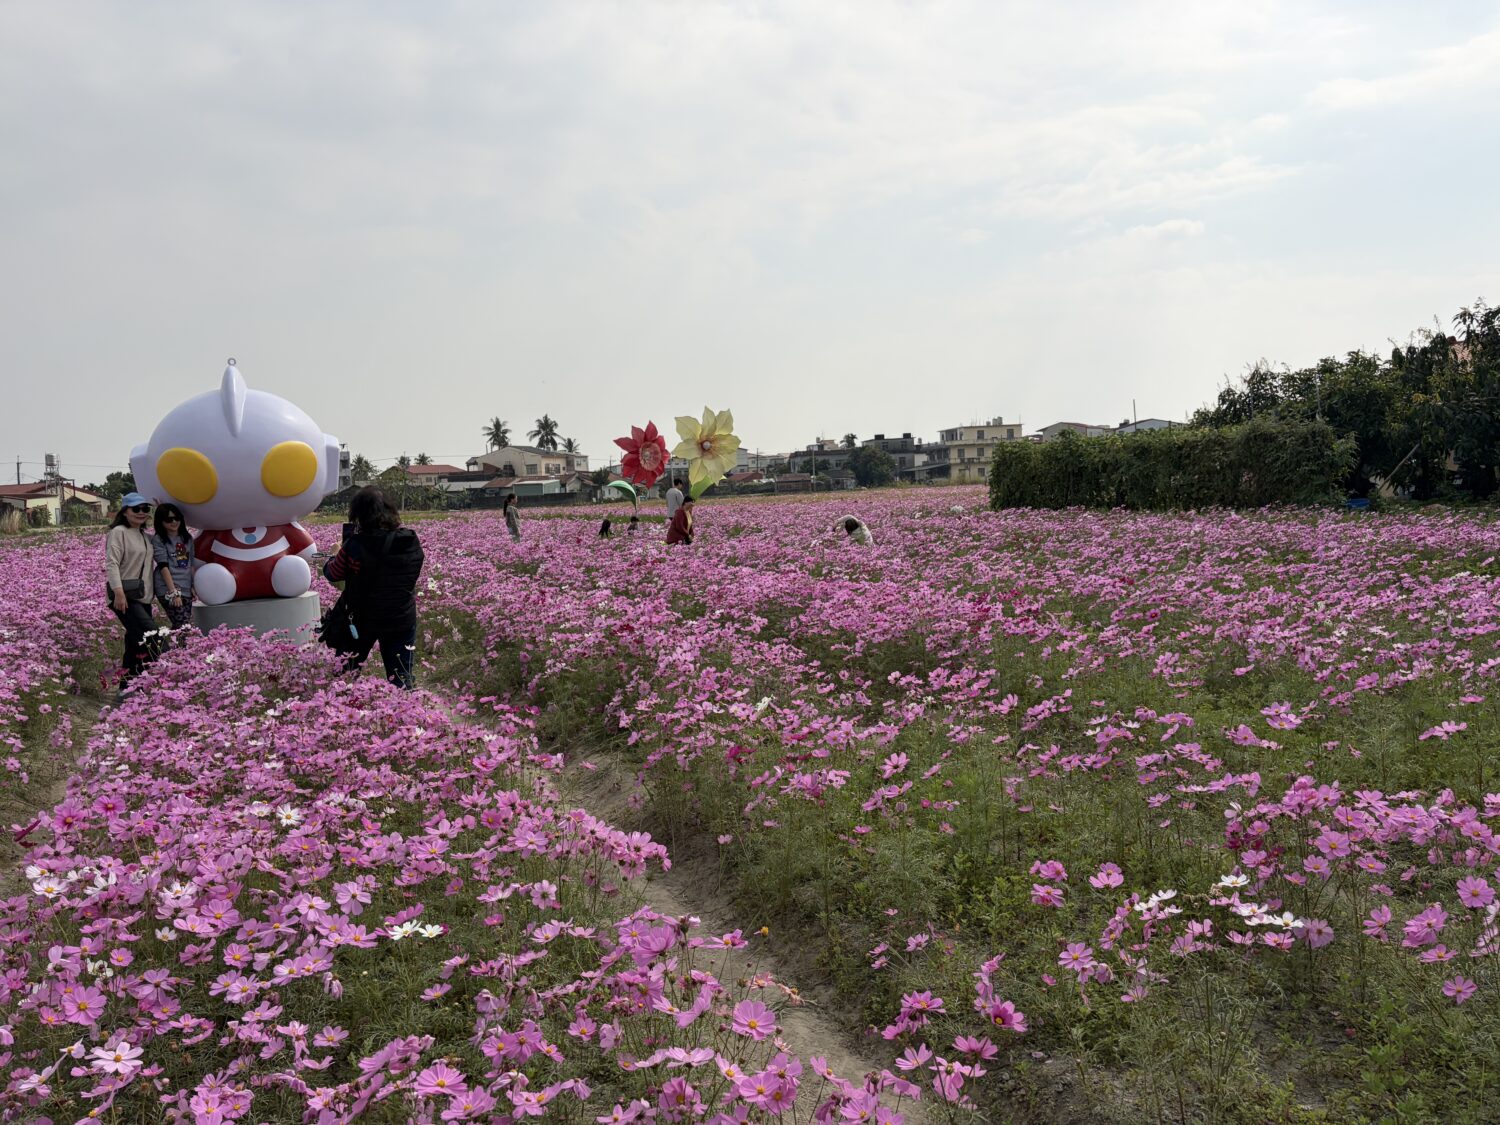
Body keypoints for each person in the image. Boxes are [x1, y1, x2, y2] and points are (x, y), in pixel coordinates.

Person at [322, 485, 425, 689]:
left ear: (359, 515)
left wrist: (335, 554)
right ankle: (407, 717)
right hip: (401, 617)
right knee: (401, 678)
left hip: (362, 620)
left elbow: (333, 573)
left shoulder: (355, 545)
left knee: (346, 674)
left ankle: (342, 714)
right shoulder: (410, 541)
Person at [104, 492, 158, 684]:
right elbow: (112, 563)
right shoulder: (118, 532)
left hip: (142, 596)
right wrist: (118, 593)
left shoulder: (144, 535)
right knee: (152, 637)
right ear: (125, 512)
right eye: (136, 509)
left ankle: (128, 685)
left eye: (145, 509)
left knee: (135, 642)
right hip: (125, 596)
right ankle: (164, 674)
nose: (141, 512)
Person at [151, 502, 196, 629]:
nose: (174, 522)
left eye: (177, 518)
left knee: (184, 624)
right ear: (160, 522)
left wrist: (193, 585)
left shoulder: (187, 538)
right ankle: (178, 648)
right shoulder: (159, 539)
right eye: (169, 519)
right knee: (182, 625)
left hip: (185, 586)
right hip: (167, 588)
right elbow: (163, 566)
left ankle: (177, 648)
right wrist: (173, 593)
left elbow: (190, 563)